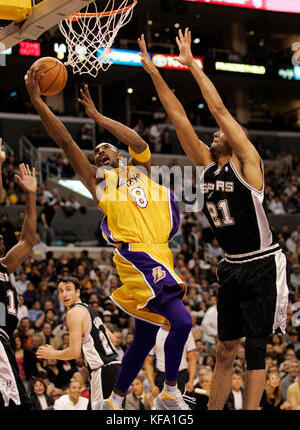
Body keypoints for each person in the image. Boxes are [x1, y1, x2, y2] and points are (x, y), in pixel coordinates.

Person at [139, 29, 289, 410]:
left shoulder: (248, 165)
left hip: (262, 263)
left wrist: (191, 64)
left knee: (255, 345)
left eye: (223, 132)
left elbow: (220, 110)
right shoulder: (207, 167)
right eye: (218, 132)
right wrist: (155, 72)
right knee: (224, 349)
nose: (217, 131)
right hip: (231, 267)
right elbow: (178, 117)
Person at [26, 67, 192, 411]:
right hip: (137, 256)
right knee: (183, 321)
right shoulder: (100, 184)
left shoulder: (140, 170)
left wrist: (99, 117)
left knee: (144, 337)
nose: (100, 154)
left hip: (161, 254)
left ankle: (113, 402)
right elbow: (65, 141)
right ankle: (170, 392)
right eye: (96, 154)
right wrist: (37, 101)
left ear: (119, 155)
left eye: (106, 150)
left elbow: (139, 143)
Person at [36, 275, 121, 409]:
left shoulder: (74, 313)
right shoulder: (89, 309)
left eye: (68, 289)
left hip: (103, 372)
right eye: (60, 291)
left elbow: (74, 353)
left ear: (78, 292)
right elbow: (114, 340)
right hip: (116, 368)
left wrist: (52, 354)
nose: (64, 294)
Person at [0, 163, 37, 409]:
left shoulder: (4, 265)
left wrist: (30, 196)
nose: (2, 238)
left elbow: (28, 239)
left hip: (4, 340)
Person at [145, 319, 197, 396]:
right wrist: (152, 385)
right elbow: (148, 362)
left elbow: (192, 359)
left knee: (187, 407)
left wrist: (191, 381)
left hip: (182, 376)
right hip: (162, 377)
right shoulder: (154, 333)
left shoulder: (185, 331)